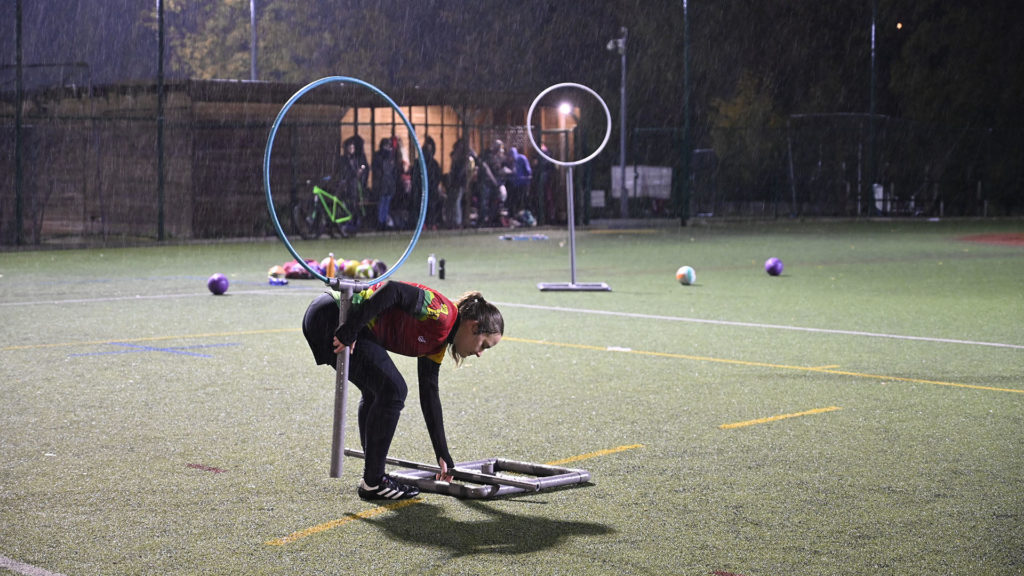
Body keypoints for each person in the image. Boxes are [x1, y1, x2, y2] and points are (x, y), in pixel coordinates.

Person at [302, 281, 504, 500]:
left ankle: (373, 475)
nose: (480, 353)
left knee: (378, 392)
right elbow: (393, 290)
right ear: (474, 327)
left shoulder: (438, 344)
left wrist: (442, 452)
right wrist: (350, 329)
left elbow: (429, 394)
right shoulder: (443, 314)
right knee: (393, 390)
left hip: (336, 317)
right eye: (484, 345)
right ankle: (374, 480)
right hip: (334, 315)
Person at [371, 138, 397, 230]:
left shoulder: (391, 157)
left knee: (386, 203)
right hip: (382, 184)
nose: (388, 147)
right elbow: (376, 170)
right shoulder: (379, 156)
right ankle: (380, 222)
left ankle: (384, 221)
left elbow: (393, 171)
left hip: (388, 184)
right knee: (382, 203)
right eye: (386, 145)